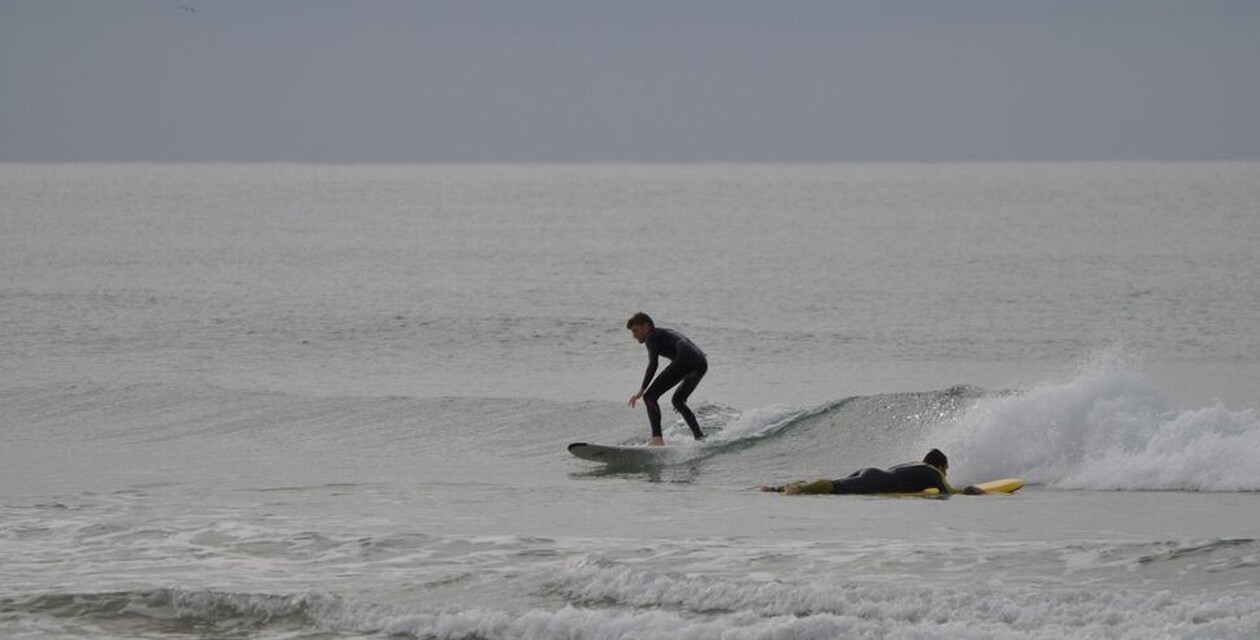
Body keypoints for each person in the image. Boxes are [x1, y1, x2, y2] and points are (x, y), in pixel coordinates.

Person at [626, 312, 708, 446]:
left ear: (646, 326)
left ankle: (657, 440)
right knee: (678, 401)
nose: (634, 335)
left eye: (636, 330)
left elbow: (653, 363)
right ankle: (699, 438)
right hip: (701, 362)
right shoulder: (665, 333)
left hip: (686, 359)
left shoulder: (651, 336)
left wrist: (642, 390)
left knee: (649, 397)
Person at [760, 449, 986, 495]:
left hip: (872, 473)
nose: (945, 474)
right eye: (946, 469)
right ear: (940, 466)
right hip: (877, 480)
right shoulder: (932, 472)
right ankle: (798, 490)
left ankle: (778, 488)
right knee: (835, 488)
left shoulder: (916, 465)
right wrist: (972, 491)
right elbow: (950, 490)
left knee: (838, 483)